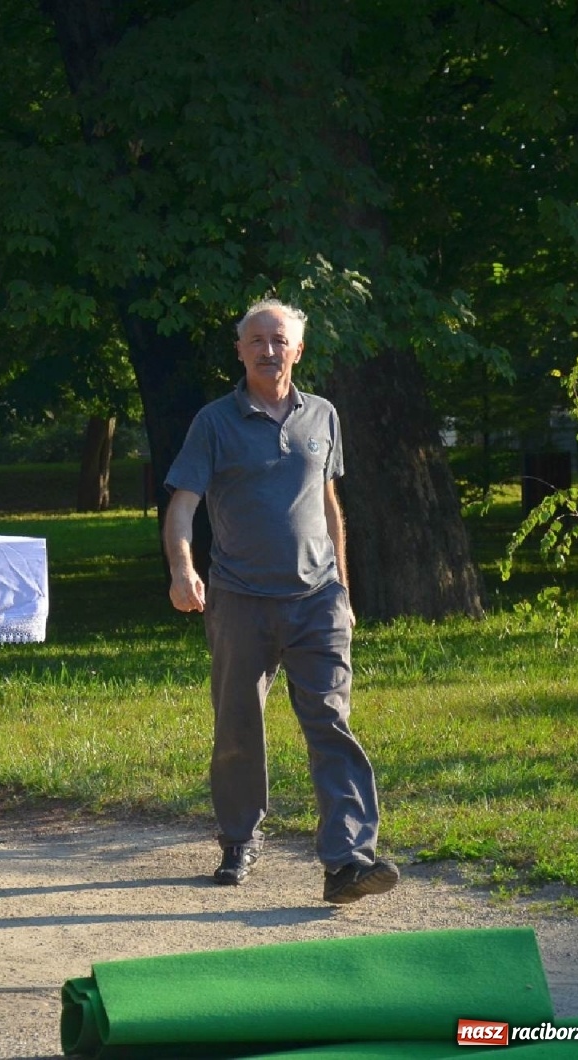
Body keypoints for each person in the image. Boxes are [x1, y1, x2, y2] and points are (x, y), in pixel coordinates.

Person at [163, 299, 400, 905]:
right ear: (240, 351)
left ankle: (347, 862)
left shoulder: (323, 415)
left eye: (280, 340)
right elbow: (183, 507)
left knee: (331, 721)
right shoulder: (214, 422)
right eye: (257, 340)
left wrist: (343, 587)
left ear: (298, 350)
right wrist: (183, 570)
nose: (269, 349)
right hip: (240, 600)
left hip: (317, 599)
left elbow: (327, 504)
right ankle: (239, 838)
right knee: (238, 723)